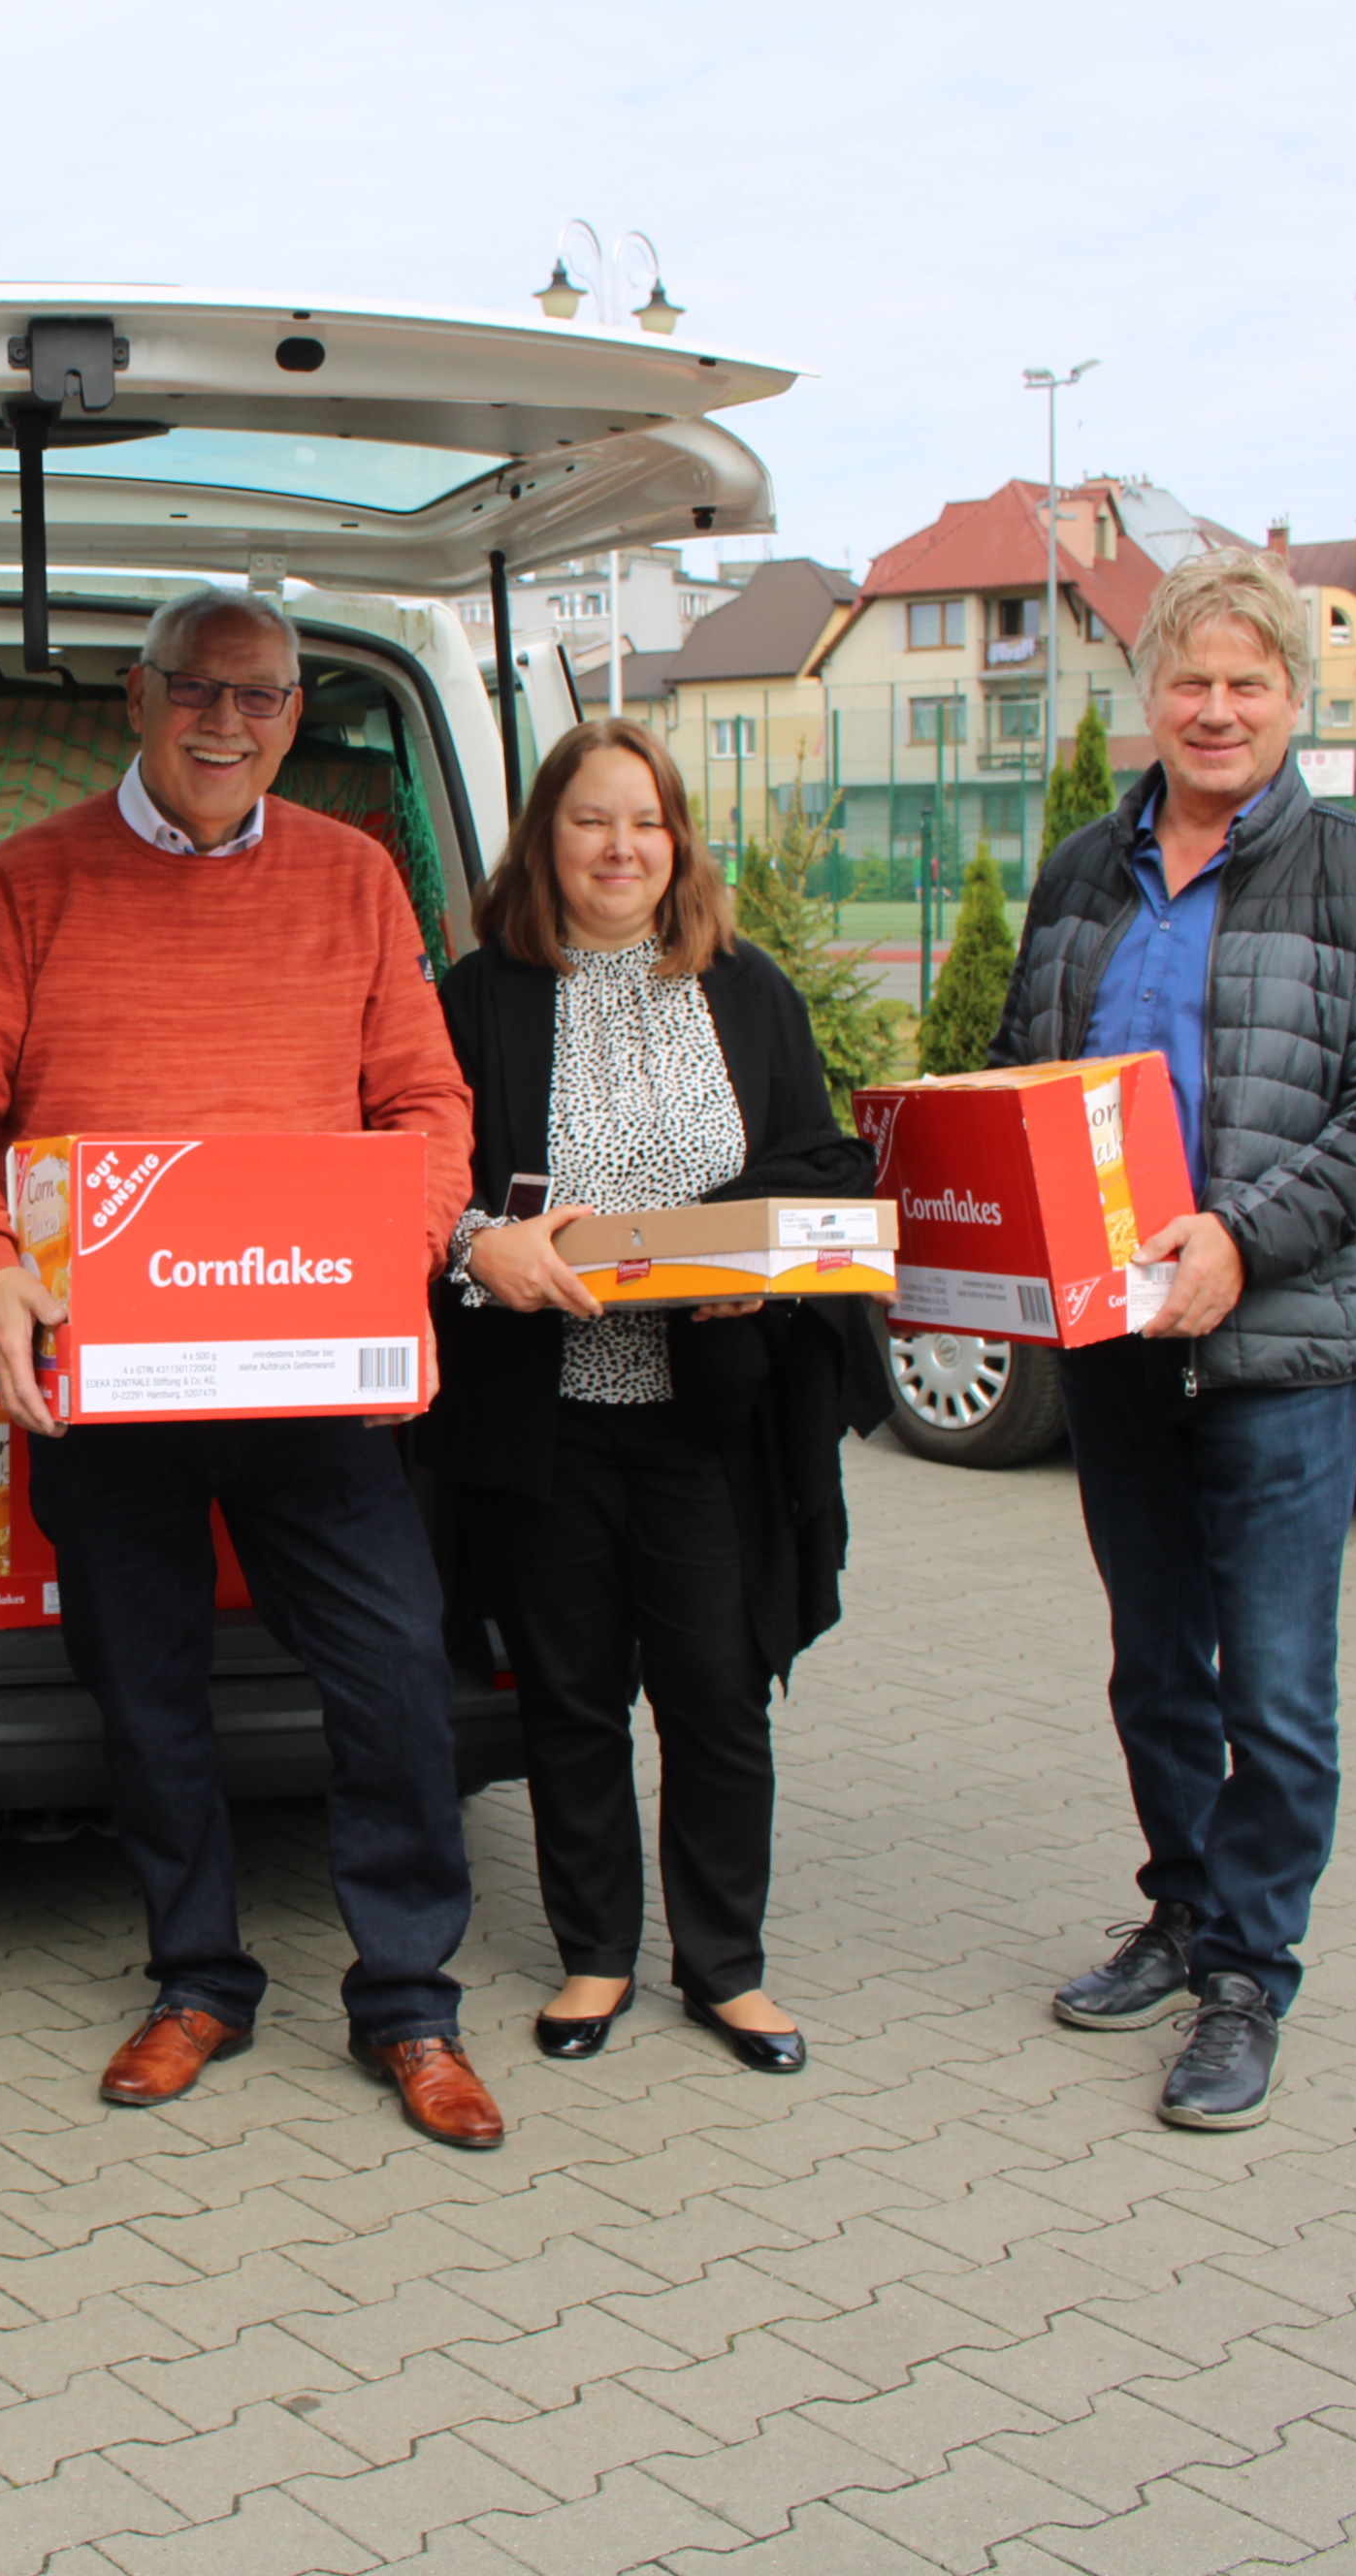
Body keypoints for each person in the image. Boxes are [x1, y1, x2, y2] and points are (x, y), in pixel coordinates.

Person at [0, 586, 501, 2148]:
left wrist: (393, 1260)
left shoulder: (355, 878)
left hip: (311, 1371)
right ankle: (198, 1980)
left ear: (294, 715)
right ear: (137, 695)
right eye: (198, 689)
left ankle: (410, 2004)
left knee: (396, 1675)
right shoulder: (32, 879)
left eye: (261, 695)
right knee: (146, 1691)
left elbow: (426, 1104)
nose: (227, 722)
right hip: (111, 1380)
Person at [1002, 550, 1356, 2132]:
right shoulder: (1081, 872)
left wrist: (1241, 1239)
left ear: (1292, 703)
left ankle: (1251, 1975)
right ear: (1151, 697)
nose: (1215, 709)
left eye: (1247, 684)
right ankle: (1184, 1910)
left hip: (1278, 1350)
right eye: (1189, 681)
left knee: (1274, 1686)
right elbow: (1020, 1072)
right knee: (1155, 1666)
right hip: (1115, 1344)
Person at [419, 719, 884, 2079]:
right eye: (591, 821)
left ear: (678, 841)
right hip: (546, 1415)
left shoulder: (748, 989)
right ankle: (596, 1954)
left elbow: (821, 1165)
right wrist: (481, 1243)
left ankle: (726, 1968)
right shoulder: (480, 996)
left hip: (708, 1421)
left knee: (717, 1697)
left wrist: (759, 1273)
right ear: (544, 842)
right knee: (571, 1698)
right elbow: (426, 1181)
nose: (620, 848)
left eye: (646, 821)